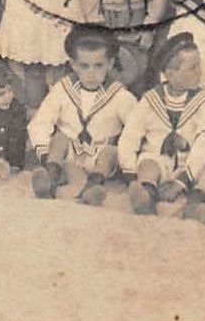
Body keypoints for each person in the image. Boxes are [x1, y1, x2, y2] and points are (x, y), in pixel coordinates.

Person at [28, 26, 138, 204]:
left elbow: (136, 127)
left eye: (98, 66)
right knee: (60, 137)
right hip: (68, 156)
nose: (91, 74)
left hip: (99, 155)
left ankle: (93, 187)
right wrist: (44, 153)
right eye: (84, 66)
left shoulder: (119, 95)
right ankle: (51, 177)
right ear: (73, 64)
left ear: (110, 64)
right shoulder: (63, 88)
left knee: (110, 152)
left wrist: (129, 162)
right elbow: (41, 122)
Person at [118, 34, 205, 217]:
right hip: (159, 161)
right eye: (192, 68)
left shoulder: (204, 101)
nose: (199, 72)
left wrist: (182, 181)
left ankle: (194, 206)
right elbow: (130, 136)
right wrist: (130, 171)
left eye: (199, 65)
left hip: (190, 165)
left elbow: (204, 141)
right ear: (170, 74)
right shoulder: (151, 99)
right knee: (148, 166)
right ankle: (146, 197)